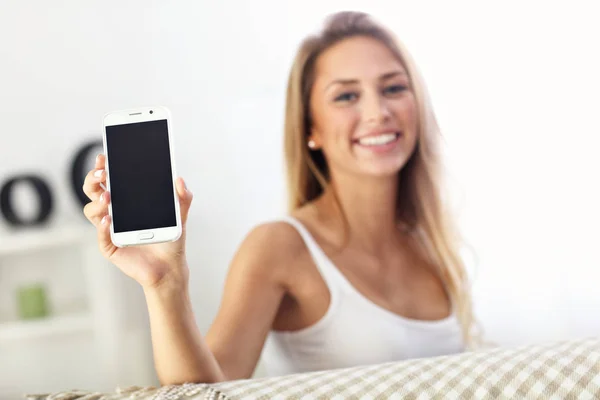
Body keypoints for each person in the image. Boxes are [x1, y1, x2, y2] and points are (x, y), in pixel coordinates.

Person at [82, 11, 479, 385]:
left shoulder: (433, 243)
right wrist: (164, 283)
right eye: (346, 96)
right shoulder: (280, 247)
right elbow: (204, 391)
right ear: (311, 128)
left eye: (393, 88)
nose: (377, 112)